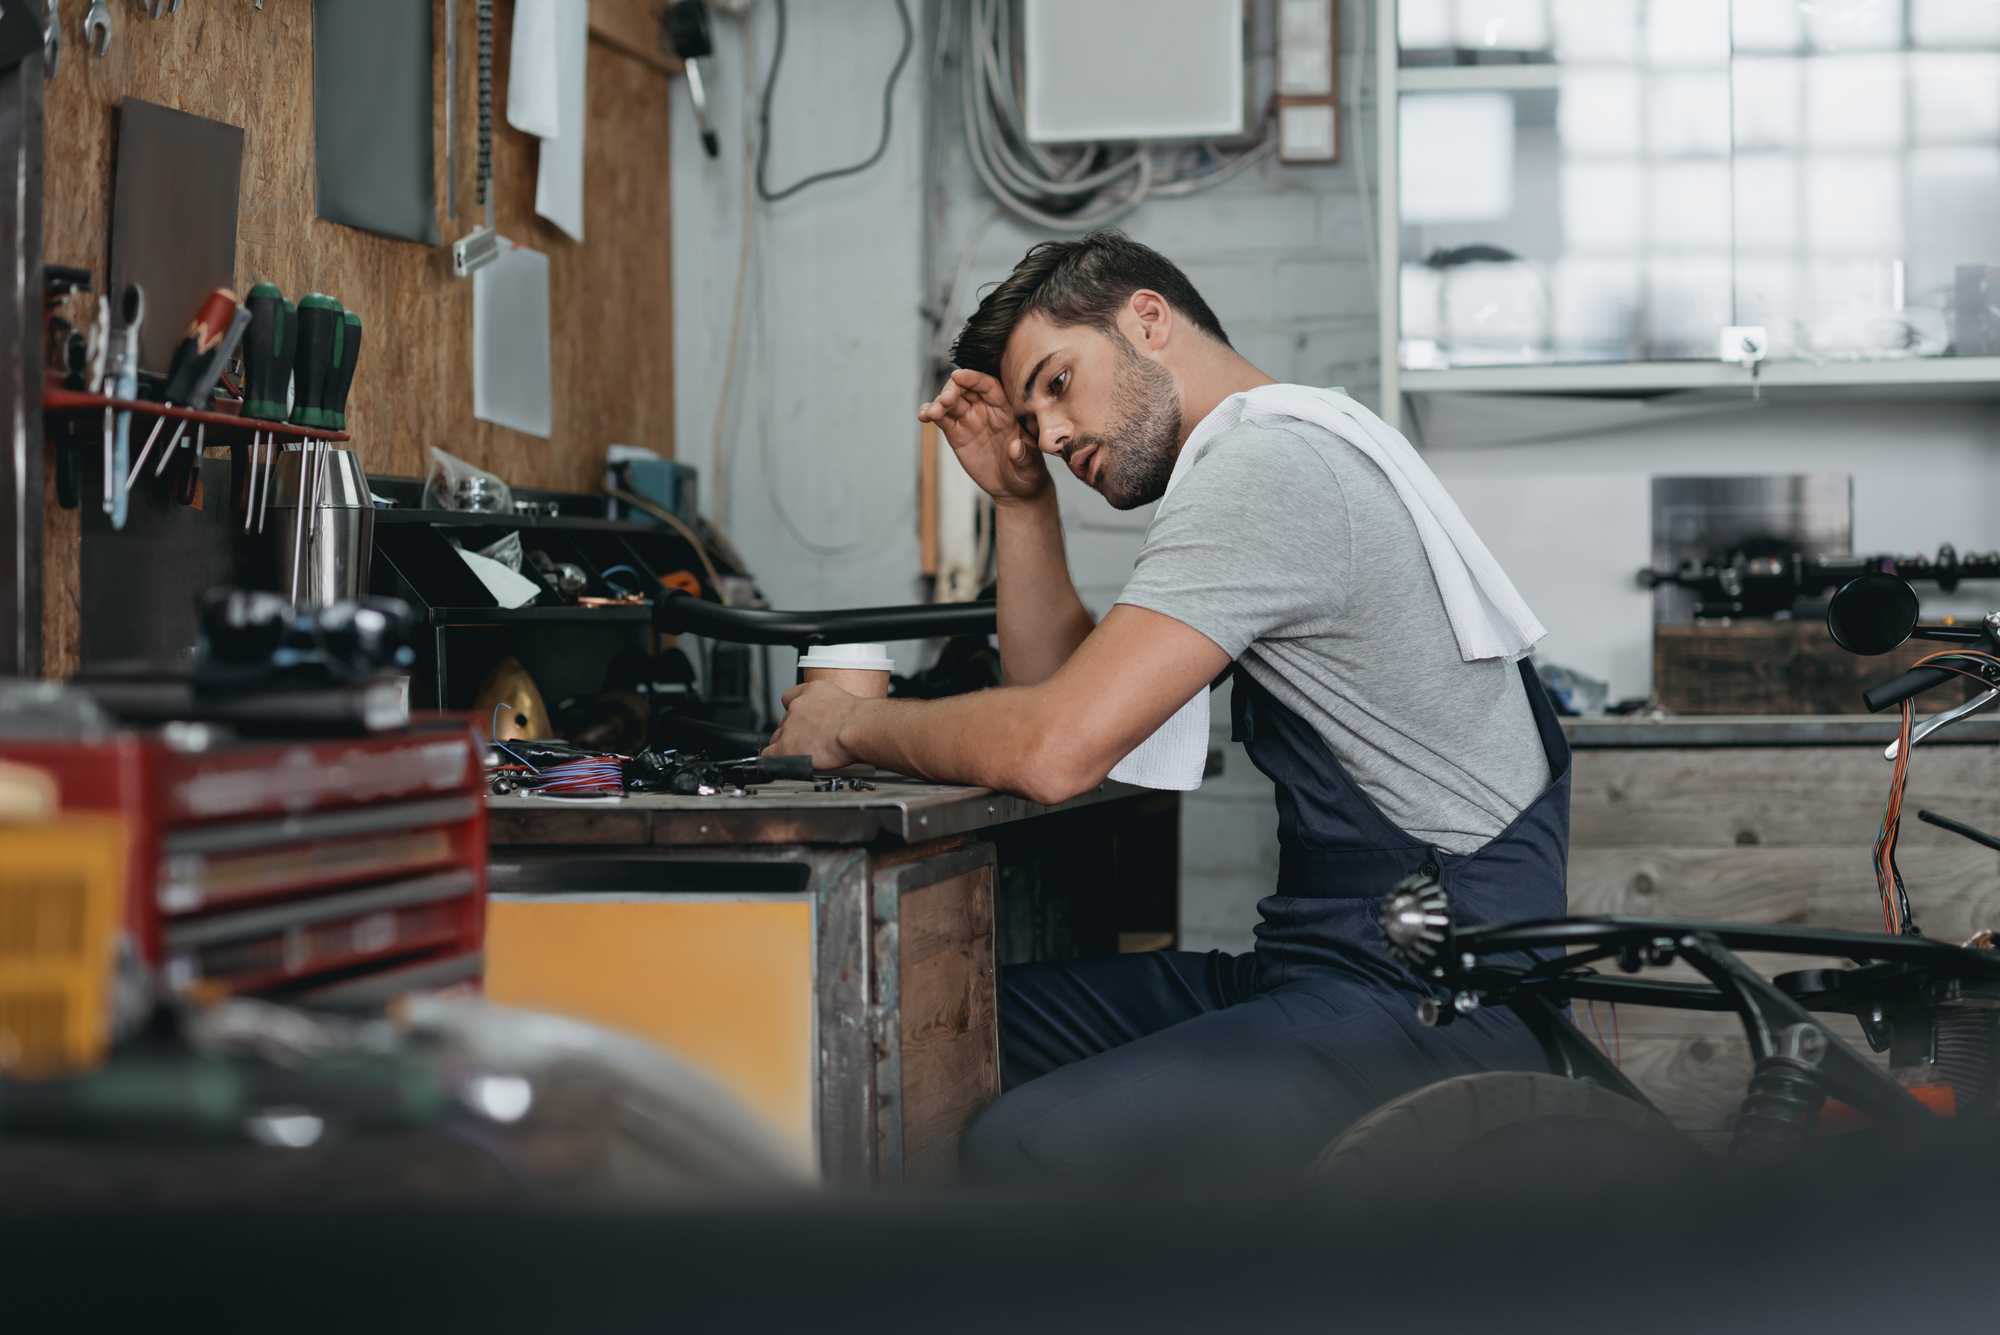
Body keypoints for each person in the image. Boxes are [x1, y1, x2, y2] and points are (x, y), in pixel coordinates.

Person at [766, 230, 1570, 1184]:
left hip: (1429, 1001)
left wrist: (845, 722)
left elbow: (1053, 748)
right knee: (933, 1029)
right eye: (1035, 420)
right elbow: (1062, 705)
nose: (1052, 436)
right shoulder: (1286, 445)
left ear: (1147, 319)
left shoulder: (1267, 469)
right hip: (1334, 969)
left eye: (1058, 383)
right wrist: (1023, 504)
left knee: (1027, 1142)